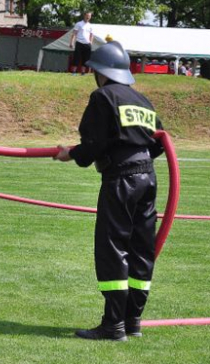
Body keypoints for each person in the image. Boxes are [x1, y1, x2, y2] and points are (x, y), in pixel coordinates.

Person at [55, 41, 164, 341]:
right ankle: (133, 321)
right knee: (141, 249)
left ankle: (113, 324)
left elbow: (93, 143)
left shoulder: (103, 97)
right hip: (148, 179)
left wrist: (72, 154)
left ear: (100, 73)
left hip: (121, 181)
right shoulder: (143, 101)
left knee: (113, 248)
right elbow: (158, 142)